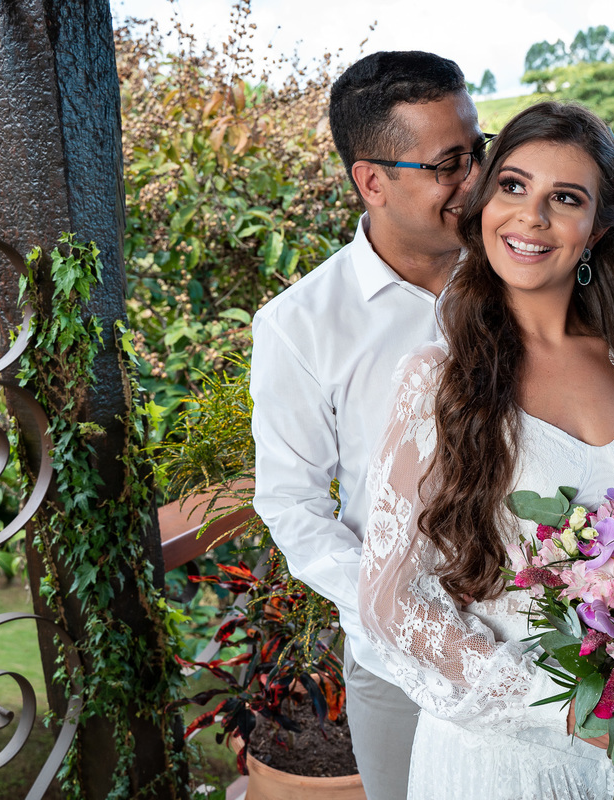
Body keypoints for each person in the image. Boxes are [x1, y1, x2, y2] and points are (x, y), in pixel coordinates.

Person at [359, 101, 614, 799]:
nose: (530, 217)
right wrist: (570, 709)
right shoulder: (439, 381)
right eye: (513, 186)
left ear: (601, 224)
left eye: (566, 198)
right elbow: (389, 602)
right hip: (506, 762)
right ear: (484, 200)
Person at [249, 51, 486, 800]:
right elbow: (289, 503)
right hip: (399, 668)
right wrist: (397, 610)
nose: (474, 181)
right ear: (371, 180)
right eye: (448, 164)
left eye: (477, 151)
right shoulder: (300, 326)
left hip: (549, 645)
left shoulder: (524, 276)